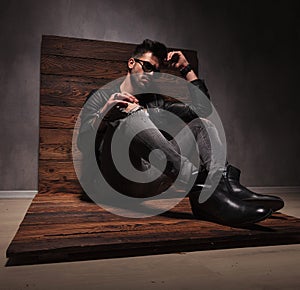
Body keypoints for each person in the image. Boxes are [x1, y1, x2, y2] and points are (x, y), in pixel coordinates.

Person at [77, 39, 284, 226]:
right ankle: (208, 192)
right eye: (147, 66)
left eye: (155, 71)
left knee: (202, 124)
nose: (150, 75)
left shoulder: (155, 102)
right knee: (131, 118)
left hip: (150, 179)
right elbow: (83, 142)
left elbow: (202, 109)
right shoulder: (102, 96)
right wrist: (106, 114)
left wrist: (186, 69)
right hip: (116, 181)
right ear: (132, 63)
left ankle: (222, 186)